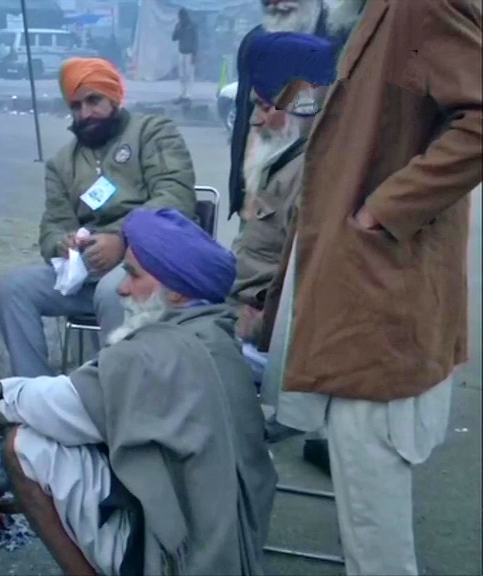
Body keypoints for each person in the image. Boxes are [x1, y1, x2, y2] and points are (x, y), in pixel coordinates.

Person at [259, 3, 482, 574]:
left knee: (376, 545)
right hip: (356, 297)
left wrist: (382, 213)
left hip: (379, 306)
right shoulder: (372, 10)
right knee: (364, 523)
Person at [0, 208, 277, 576]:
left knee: (23, 445)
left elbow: (57, 408)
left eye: (132, 274)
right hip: (232, 550)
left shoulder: (154, 354)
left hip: (181, 560)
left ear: (175, 291)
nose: (122, 289)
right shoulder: (218, 338)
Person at [0, 57, 197, 377]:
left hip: (150, 270)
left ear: (114, 98)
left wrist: (122, 239)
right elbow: (51, 227)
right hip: (88, 273)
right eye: (76, 106)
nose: (85, 113)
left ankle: (119, 394)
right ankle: (32, 397)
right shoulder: (63, 163)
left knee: (112, 290)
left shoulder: (152, 133)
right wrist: (63, 244)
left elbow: (176, 199)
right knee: (13, 288)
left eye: (93, 101)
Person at [231, 32, 337, 474]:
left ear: (297, 103)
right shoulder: (281, 155)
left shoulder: (316, 173)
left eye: (262, 107)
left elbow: (309, 285)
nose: (254, 120)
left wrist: (258, 316)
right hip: (240, 311)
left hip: (269, 337)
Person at [227, 0, 339, 220]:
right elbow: (246, 117)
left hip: (319, 201)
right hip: (256, 195)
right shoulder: (254, 42)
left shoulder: (345, 43)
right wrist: (241, 195)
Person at [171, 8, 198, 102]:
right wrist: (178, 29)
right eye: (180, 17)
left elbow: (196, 40)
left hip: (190, 53)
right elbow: (174, 38)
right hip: (181, 52)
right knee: (181, 75)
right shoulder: (179, 25)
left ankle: (189, 94)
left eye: (183, 16)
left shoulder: (192, 25)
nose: (181, 18)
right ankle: (182, 93)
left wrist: (195, 54)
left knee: (189, 74)